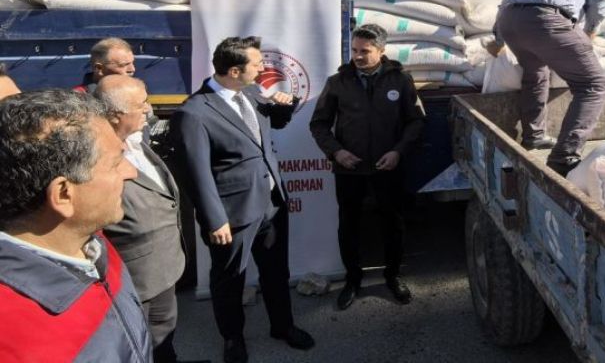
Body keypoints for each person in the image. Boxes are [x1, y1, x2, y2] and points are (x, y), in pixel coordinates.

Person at [170, 36, 313, 363]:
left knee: (277, 271)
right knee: (229, 279)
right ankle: (233, 338)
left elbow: (273, 124)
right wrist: (213, 218)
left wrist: (285, 104)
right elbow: (196, 173)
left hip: (272, 203)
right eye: (257, 64)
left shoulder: (249, 92)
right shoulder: (194, 112)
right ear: (234, 70)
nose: (263, 68)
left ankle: (283, 326)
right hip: (231, 214)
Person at [0, 89, 150, 361]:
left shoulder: (93, 245)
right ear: (64, 194)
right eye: (116, 164)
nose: (132, 172)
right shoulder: (15, 341)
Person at [309, 24, 425, 311]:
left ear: (382, 51)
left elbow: (417, 121)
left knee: (393, 223)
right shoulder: (338, 82)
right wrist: (337, 152)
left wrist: (398, 151)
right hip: (350, 169)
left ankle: (393, 276)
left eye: (365, 51)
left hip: (389, 167)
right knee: (350, 225)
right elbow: (319, 124)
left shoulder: (400, 80)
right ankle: (352, 280)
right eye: (355, 50)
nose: (357, 56)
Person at [489, 0, 605, 176]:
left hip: (511, 19)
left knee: (535, 72)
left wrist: (498, 36)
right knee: (594, 85)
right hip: (548, 19)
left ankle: (534, 136)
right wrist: (590, 31)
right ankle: (563, 158)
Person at [96, 75, 199, 363]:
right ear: (116, 115)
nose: (149, 109)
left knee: (164, 331)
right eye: (141, 104)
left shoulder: (137, 138)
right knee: (137, 343)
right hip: (134, 273)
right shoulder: (96, 156)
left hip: (163, 265)